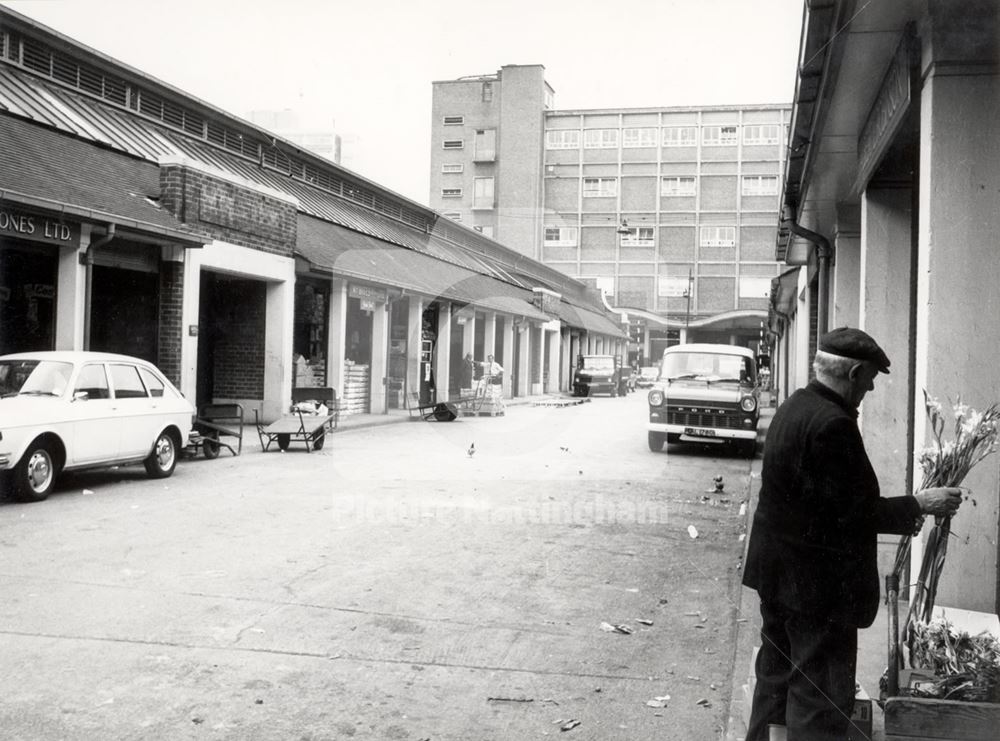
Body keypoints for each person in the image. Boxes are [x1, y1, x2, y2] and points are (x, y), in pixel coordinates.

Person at [742, 327, 963, 741]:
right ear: (854, 373)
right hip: (817, 593)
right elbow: (855, 513)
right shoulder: (833, 425)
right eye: (870, 379)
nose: (872, 388)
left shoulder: (794, 406)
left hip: (777, 579)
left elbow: (817, 506)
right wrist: (921, 503)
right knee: (818, 699)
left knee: (774, 685)